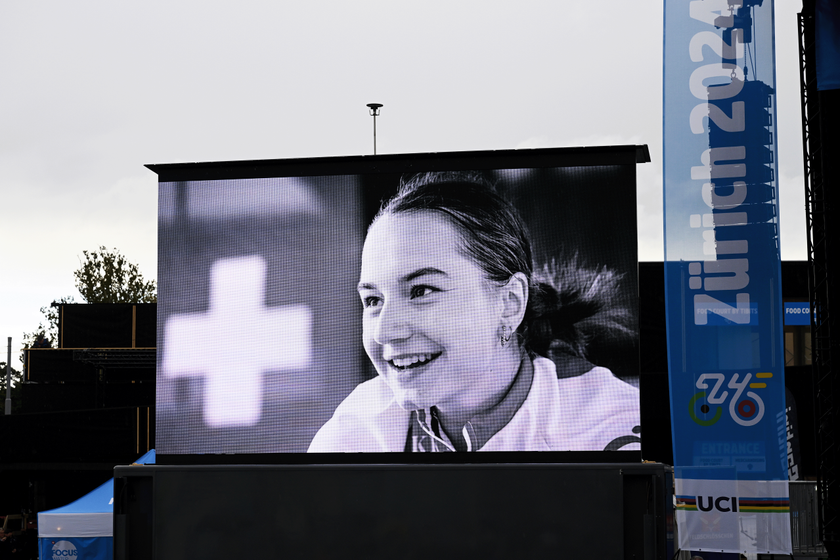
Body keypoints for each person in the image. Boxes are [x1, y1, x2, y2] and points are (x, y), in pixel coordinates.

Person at [308, 171, 640, 452]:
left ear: (510, 303)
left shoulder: (610, 434)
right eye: (373, 300)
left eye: (422, 291)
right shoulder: (354, 433)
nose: (384, 331)